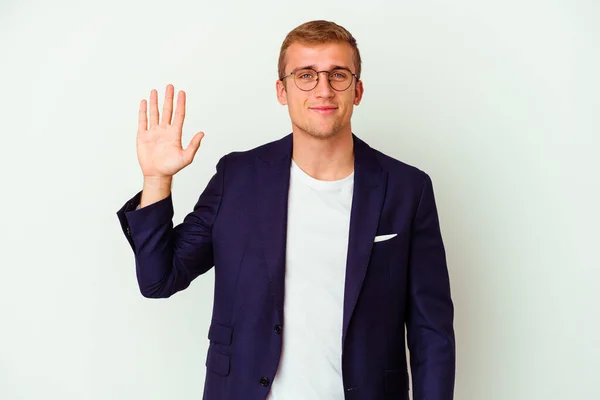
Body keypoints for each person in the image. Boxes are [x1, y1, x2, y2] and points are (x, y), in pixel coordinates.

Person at [116, 20, 455, 400]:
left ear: (357, 90)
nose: (323, 89)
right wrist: (157, 180)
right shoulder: (238, 177)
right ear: (282, 90)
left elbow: (432, 333)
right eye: (306, 75)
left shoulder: (408, 188)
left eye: (338, 75)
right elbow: (159, 279)